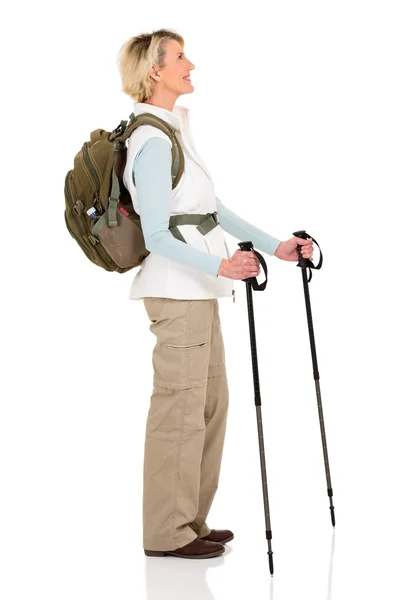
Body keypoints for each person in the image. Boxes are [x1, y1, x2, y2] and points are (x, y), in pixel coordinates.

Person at [117, 28, 314, 560]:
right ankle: (167, 533)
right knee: (179, 412)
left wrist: (279, 247)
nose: (191, 65)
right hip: (176, 292)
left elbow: (212, 208)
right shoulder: (151, 141)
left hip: (198, 290)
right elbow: (157, 234)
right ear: (154, 71)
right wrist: (223, 263)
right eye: (180, 58)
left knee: (208, 407)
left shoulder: (174, 129)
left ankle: (189, 522)